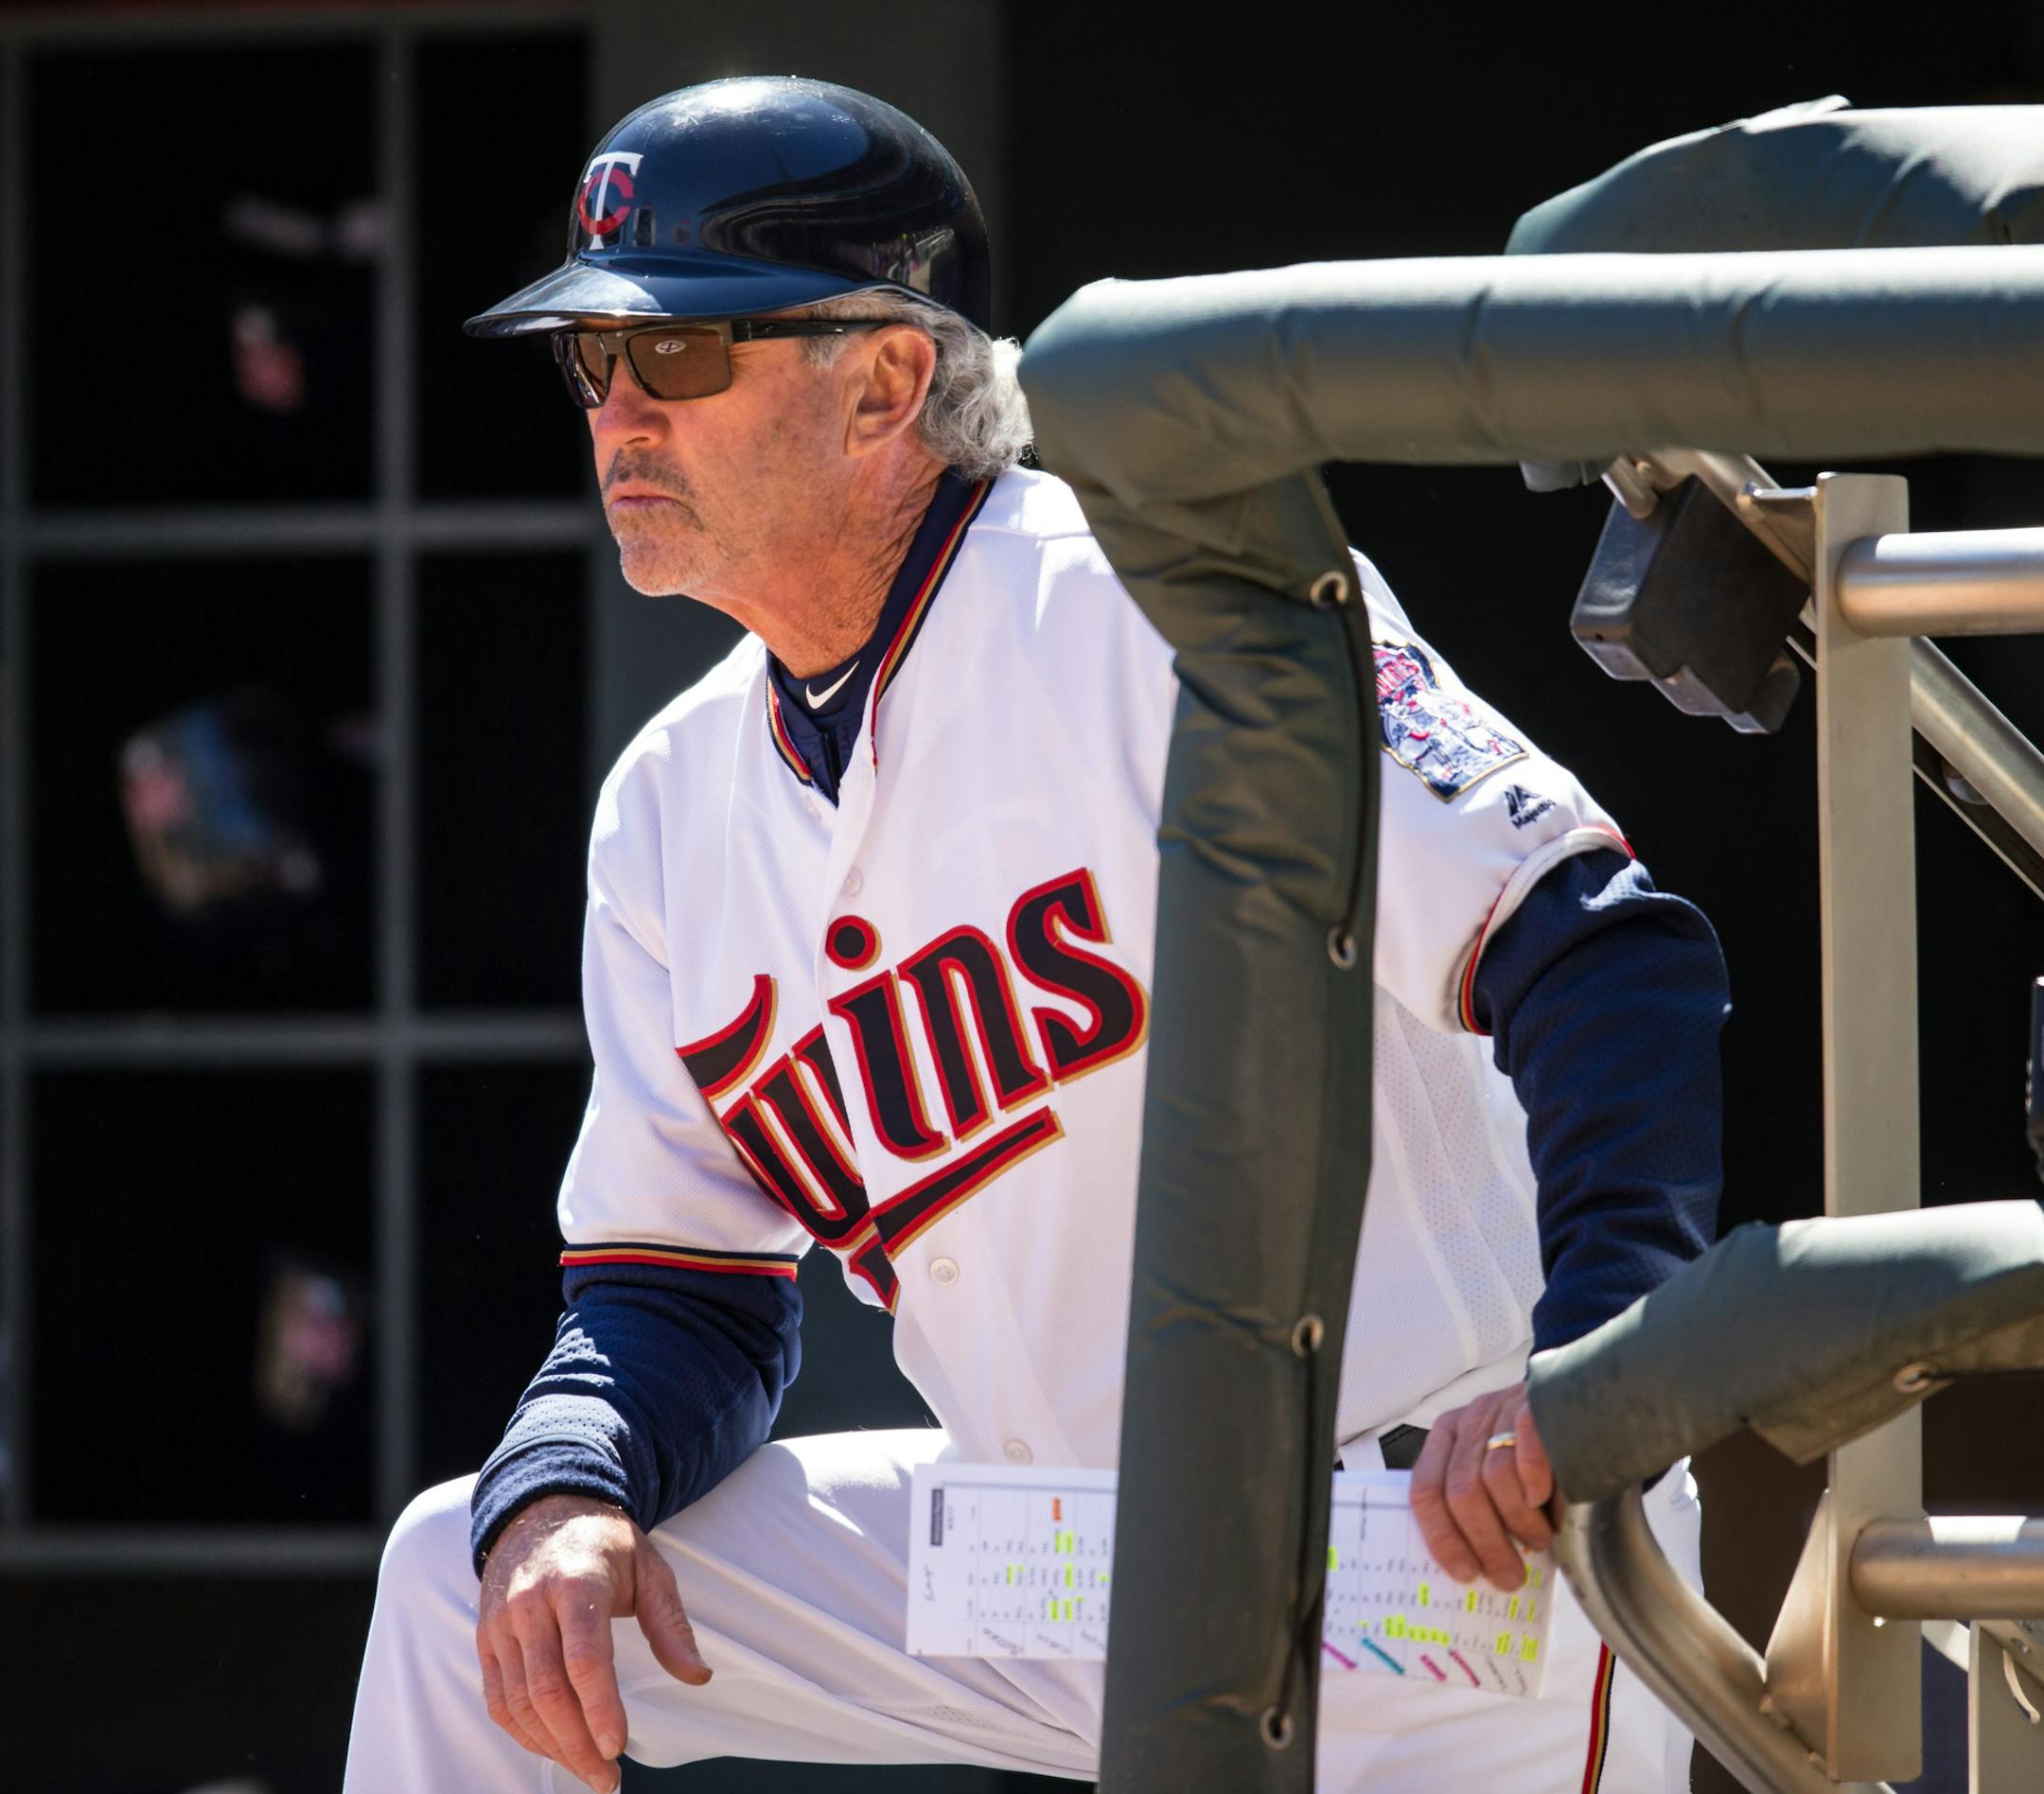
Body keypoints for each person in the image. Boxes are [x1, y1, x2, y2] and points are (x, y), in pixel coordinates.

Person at [345, 76, 1727, 1793]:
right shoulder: (668, 808)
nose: (620, 410)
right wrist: (569, 1479)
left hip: (1424, 1542)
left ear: (890, 382)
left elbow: (1601, 946)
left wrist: (1591, 1372)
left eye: (682, 355)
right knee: (468, 1581)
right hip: (1055, 1559)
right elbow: (673, 1291)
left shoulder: (1160, 601)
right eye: (593, 360)